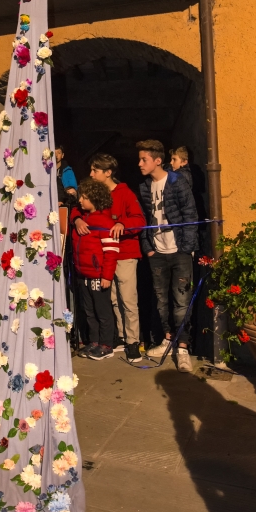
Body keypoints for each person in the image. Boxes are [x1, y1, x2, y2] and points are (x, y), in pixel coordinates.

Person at [75, 153, 146, 365]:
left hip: (124, 253)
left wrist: (123, 224)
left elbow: (139, 219)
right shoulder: (94, 193)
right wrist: (77, 218)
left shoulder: (124, 193)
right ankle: (120, 337)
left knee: (127, 299)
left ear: (108, 172)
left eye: (95, 170)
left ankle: (133, 342)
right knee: (112, 299)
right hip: (103, 256)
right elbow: (80, 210)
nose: (91, 173)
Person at [136, 140, 198, 372]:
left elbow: (190, 213)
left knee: (181, 300)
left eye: (144, 159)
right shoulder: (144, 186)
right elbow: (143, 218)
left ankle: (183, 348)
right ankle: (169, 340)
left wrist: (187, 247)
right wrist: (148, 247)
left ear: (157, 160)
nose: (140, 163)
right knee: (161, 300)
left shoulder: (177, 181)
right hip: (157, 252)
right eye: (140, 159)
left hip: (179, 250)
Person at [70, 177, 120, 360]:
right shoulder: (81, 219)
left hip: (99, 276)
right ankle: (94, 342)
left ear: (95, 198)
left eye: (84, 197)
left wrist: (106, 276)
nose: (80, 200)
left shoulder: (105, 223)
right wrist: (76, 220)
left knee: (103, 311)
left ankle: (106, 345)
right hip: (83, 274)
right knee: (89, 311)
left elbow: (111, 253)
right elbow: (72, 212)